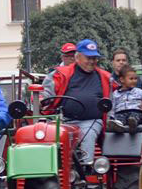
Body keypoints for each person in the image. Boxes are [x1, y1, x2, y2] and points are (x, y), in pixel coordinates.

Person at [41, 39, 113, 169]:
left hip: (91, 120)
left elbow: (112, 101)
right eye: (88, 58)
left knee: (88, 134)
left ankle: (86, 170)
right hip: (63, 120)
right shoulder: (60, 74)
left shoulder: (105, 77)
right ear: (77, 57)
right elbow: (46, 93)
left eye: (94, 58)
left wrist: (111, 118)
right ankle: (52, 170)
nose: (92, 61)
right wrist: (42, 100)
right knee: (48, 136)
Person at [110, 65, 142, 133]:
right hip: (120, 112)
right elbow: (112, 107)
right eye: (131, 79)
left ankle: (133, 124)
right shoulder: (115, 94)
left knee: (135, 116)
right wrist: (111, 117)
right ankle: (118, 126)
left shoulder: (140, 92)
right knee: (118, 119)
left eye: (135, 78)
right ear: (122, 79)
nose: (134, 81)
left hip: (135, 111)